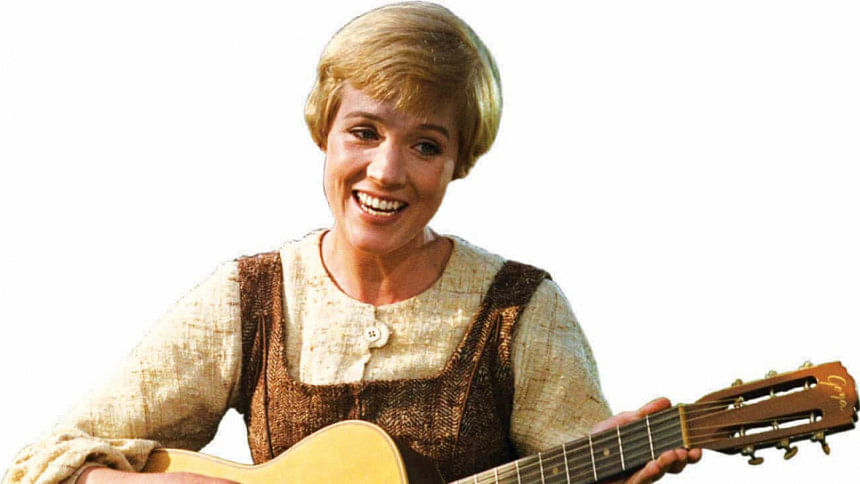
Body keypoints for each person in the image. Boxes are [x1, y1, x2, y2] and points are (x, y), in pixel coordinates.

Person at [4, 2, 699, 483]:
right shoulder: (250, 299)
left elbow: (583, 463)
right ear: (325, 132)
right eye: (364, 132)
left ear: (459, 161)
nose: (387, 171)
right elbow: (44, 462)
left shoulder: (522, 310)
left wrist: (614, 472)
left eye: (426, 145)